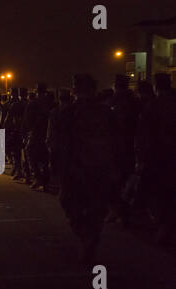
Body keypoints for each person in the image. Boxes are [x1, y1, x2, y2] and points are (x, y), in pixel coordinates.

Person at [59, 74, 117, 264]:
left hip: (76, 168)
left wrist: (58, 167)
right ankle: (91, 236)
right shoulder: (107, 112)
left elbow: (56, 144)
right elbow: (119, 141)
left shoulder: (67, 112)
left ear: (75, 89)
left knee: (70, 203)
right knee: (97, 206)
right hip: (102, 168)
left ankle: (85, 236)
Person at [135, 73, 176, 245]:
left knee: (159, 192)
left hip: (158, 156)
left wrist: (141, 158)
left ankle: (164, 226)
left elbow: (144, 135)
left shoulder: (154, 106)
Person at [106, 74, 139, 226]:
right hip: (133, 147)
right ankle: (127, 213)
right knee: (129, 181)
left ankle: (118, 212)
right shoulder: (136, 102)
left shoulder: (113, 102)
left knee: (114, 182)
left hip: (116, 148)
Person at [22, 83, 51, 191]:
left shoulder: (33, 104)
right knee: (45, 159)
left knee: (31, 156)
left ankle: (38, 179)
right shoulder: (51, 103)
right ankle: (44, 182)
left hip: (36, 134)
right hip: (47, 134)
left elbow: (28, 121)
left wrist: (26, 133)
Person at [4, 88, 24, 180]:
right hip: (17, 129)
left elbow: (8, 117)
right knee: (16, 151)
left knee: (15, 151)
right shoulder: (13, 103)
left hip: (15, 130)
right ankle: (17, 168)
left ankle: (18, 170)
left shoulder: (15, 104)